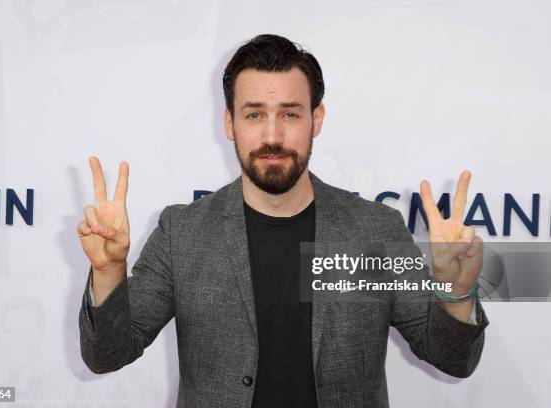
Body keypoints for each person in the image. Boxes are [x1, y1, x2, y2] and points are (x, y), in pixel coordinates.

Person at [77, 34, 488, 407]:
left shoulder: (374, 230)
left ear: (317, 120)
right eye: (254, 115)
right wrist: (109, 271)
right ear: (229, 124)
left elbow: (452, 359)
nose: (272, 136)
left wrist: (456, 291)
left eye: (290, 114)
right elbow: (106, 354)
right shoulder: (182, 233)